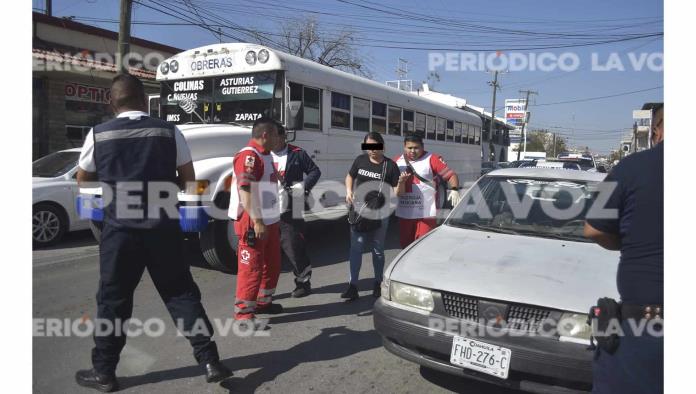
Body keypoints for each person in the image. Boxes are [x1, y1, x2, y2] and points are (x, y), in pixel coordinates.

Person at [74, 74, 230, 391]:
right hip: (163, 229)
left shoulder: (98, 135)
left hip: (119, 233)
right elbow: (189, 180)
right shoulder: (169, 131)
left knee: (113, 302)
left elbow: (83, 181)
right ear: (145, 101)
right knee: (181, 294)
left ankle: (104, 372)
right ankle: (210, 360)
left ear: (111, 102)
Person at [583, 103, 664, 394]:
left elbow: (592, 227)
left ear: (656, 130)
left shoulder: (628, 167)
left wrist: (627, 244)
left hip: (645, 333)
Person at [228, 117, 283, 324]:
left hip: (269, 220)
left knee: (272, 264)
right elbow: (246, 189)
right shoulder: (249, 156)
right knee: (251, 268)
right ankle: (243, 314)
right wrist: (258, 221)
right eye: (277, 135)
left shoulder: (265, 155)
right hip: (253, 222)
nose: (280, 139)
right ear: (265, 135)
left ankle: (263, 302)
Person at [342, 132, 408, 300]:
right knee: (356, 248)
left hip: (380, 212)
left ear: (382, 146)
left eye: (375, 146)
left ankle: (378, 283)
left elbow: (396, 193)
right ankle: (353, 286)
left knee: (378, 250)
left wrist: (400, 182)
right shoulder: (360, 160)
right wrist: (349, 191)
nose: (372, 150)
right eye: (368, 146)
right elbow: (350, 176)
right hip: (359, 210)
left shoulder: (390, 166)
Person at [271, 123, 321, 298]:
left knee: (294, 248)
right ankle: (265, 291)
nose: (273, 140)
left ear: (284, 136)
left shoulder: (297, 153)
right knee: (268, 252)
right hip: (267, 209)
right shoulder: (261, 155)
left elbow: (315, 171)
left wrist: (303, 187)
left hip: (292, 208)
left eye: (276, 136)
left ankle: (303, 283)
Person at [394, 135, 461, 248]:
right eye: (409, 148)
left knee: (424, 246)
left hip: (426, 213)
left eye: (416, 148)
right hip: (405, 213)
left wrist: (454, 189)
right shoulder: (396, 161)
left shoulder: (432, 159)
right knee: (406, 247)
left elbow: (450, 175)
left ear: (422, 147)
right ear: (404, 147)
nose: (413, 151)